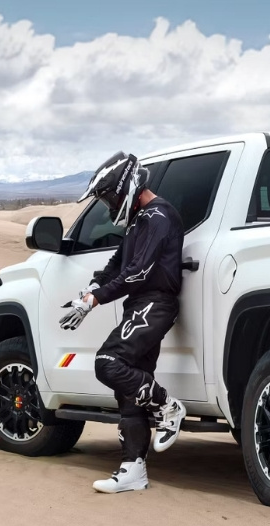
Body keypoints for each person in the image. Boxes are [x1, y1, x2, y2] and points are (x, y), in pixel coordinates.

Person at [59, 151, 187, 494]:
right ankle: (133, 470)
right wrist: (92, 287)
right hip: (140, 305)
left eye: (109, 196)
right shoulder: (138, 219)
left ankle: (167, 406)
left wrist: (95, 300)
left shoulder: (159, 216)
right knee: (128, 390)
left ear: (127, 187)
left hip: (155, 305)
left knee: (108, 362)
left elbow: (139, 272)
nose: (107, 204)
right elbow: (118, 264)